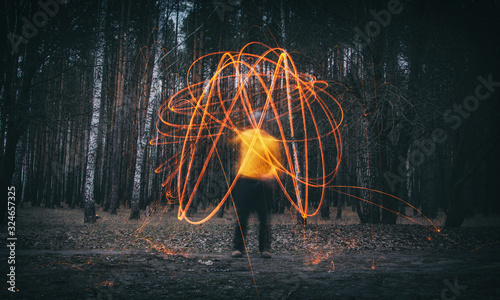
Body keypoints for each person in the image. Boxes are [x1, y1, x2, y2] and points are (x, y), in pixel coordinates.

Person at [231, 111, 282, 259]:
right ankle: (237, 248)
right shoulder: (245, 137)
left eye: (259, 122)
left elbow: (277, 165)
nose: (256, 125)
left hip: (263, 184)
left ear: (264, 124)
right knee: (242, 216)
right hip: (245, 180)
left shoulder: (272, 141)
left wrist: (270, 175)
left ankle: (264, 249)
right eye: (254, 123)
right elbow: (229, 140)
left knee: (264, 218)